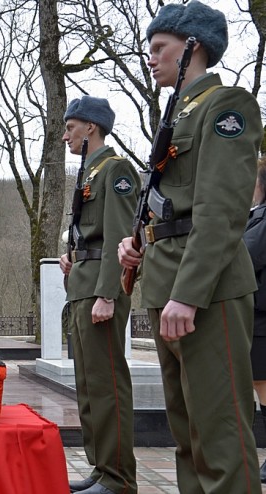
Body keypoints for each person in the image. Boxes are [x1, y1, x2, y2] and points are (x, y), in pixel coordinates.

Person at [118, 2, 262, 491]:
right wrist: (134, 242)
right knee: (186, 434)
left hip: (207, 290)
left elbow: (221, 211)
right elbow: (170, 201)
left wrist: (189, 293)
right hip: (166, 282)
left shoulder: (227, 106)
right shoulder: (177, 112)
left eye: (161, 48)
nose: (151, 58)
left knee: (219, 432)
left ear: (192, 47)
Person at [59, 96, 139, 494]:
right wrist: (73, 261)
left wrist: (108, 293)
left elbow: (120, 238)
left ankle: (119, 478)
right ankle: (101, 467)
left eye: (70, 127)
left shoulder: (115, 170)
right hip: (83, 286)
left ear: (91, 126)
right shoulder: (88, 173)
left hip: (100, 291)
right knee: (88, 385)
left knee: (107, 384)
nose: (65, 136)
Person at [243, 156, 266, 483]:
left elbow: (246, 255)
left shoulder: (262, 217)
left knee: (263, 387)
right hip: (257, 315)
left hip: (261, 317)